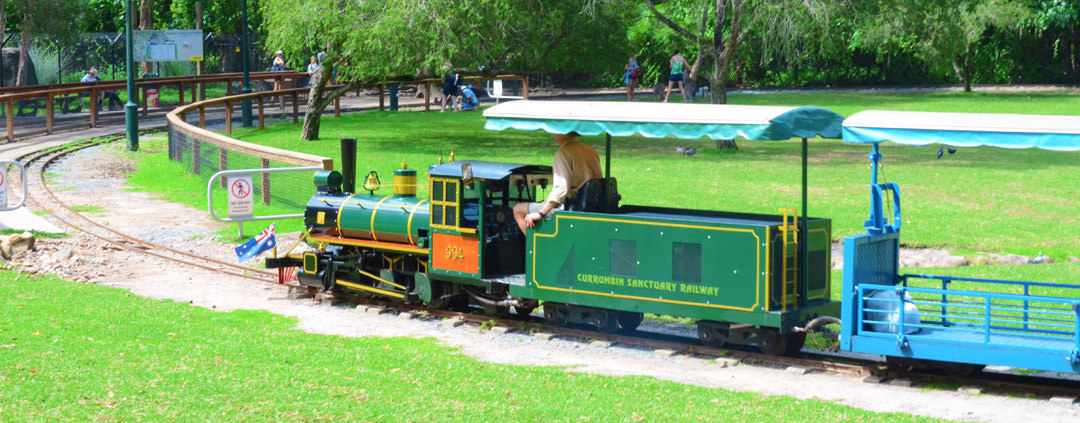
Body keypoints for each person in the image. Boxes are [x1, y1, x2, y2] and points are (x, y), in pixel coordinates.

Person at [513, 132, 602, 234]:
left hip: (573, 207)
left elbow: (561, 189)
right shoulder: (591, 151)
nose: (553, 134)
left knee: (518, 209)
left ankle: (534, 249)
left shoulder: (564, 153)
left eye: (556, 131)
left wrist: (541, 213)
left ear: (564, 133)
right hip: (592, 204)